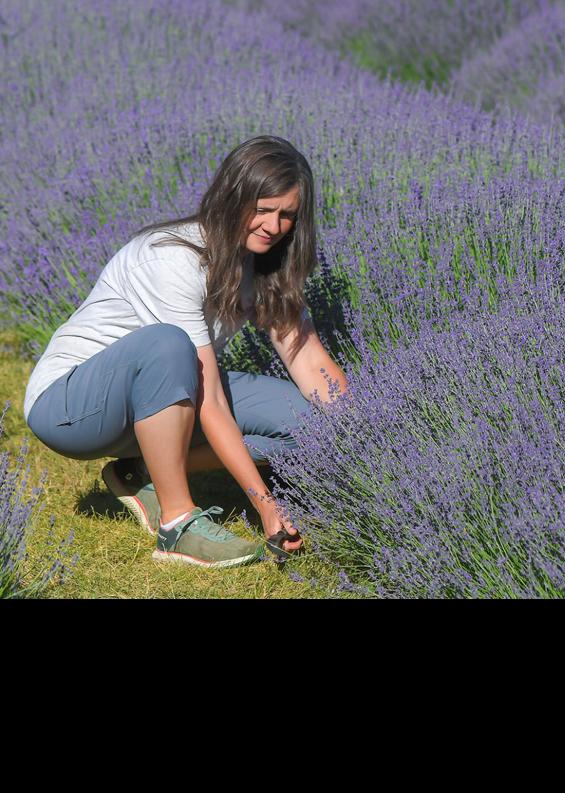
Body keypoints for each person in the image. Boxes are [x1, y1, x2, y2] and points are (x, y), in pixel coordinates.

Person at [22, 135, 350, 568]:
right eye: (263, 209)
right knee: (168, 343)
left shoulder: (264, 266)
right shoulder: (172, 259)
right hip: (70, 407)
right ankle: (177, 526)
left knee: (308, 426)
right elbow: (209, 399)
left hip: (161, 402)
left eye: (287, 215)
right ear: (232, 197)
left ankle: (140, 474)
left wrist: (363, 439)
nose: (273, 226)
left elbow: (310, 362)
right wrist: (266, 505)